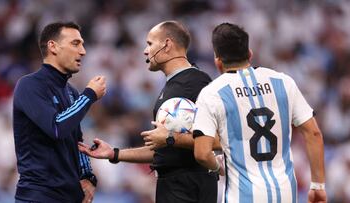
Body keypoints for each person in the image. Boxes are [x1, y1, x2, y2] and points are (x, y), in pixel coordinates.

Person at [79, 20, 220, 203]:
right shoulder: (173, 85)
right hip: (173, 185)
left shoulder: (196, 83)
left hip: (189, 186)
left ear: (167, 44)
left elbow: (216, 140)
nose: (145, 51)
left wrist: (170, 137)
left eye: (150, 44)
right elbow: (163, 151)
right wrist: (114, 153)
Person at [192, 22, 327, 203]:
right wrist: (318, 186)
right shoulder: (283, 81)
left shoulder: (212, 93)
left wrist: (217, 166)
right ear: (250, 54)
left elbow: (201, 153)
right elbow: (314, 133)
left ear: (217, 60)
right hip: (285, 193)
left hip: (243, 196)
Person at [13, 21, 106, 203]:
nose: (83, 51)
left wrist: (87, 175)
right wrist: (89, 95)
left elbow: (77, 141)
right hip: (38, 196)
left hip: (70, 197)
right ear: (53, 46)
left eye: (82, 44)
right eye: (75, 43)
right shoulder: (29, 85)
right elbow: (56, 128)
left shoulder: (71, 92)